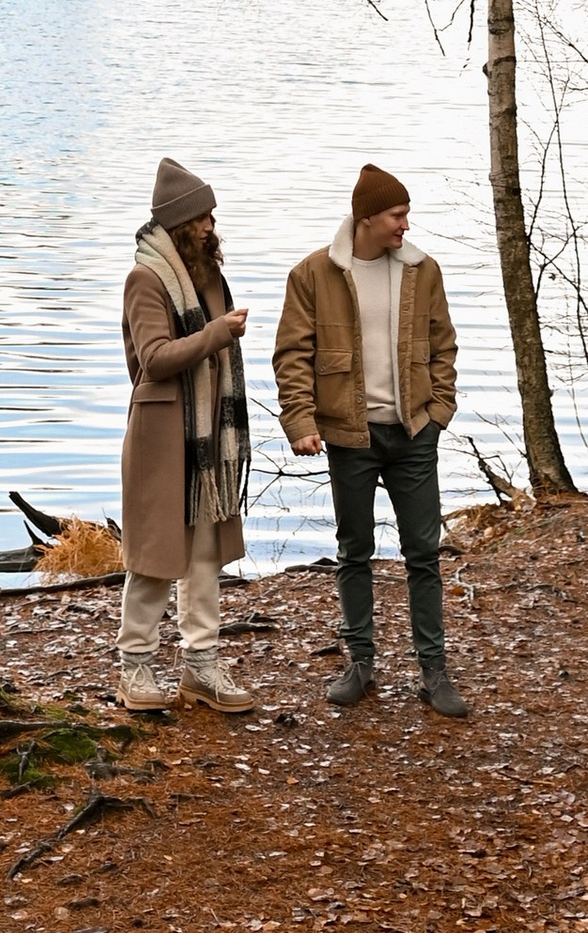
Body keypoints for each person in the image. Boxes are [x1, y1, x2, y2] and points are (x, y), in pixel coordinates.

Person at [273, 162, 465, 717]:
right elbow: (293, 355)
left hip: (414, 433)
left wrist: (439, 410)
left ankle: (434, 670)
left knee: (423, 552)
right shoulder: (314, 274)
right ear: (366, 218)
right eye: (397, 215)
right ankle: (360, 662)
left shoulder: (423, 271)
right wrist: (302, 421)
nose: (405, 225)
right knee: (354, 551)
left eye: (405, 215)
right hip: (349, 436)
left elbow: (443, 344)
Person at [118, 156, 254, 713]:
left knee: (203, 556)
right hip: (160, 437)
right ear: (179, 224)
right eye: (201, 218)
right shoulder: (146, 279)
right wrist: (217, 334)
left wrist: (218, 335)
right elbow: (153, 360)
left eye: (211, 216)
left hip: (208, 440)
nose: (210, 226)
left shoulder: (209, 274)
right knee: (154, 558)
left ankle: (201, 666)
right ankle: (136, 667)